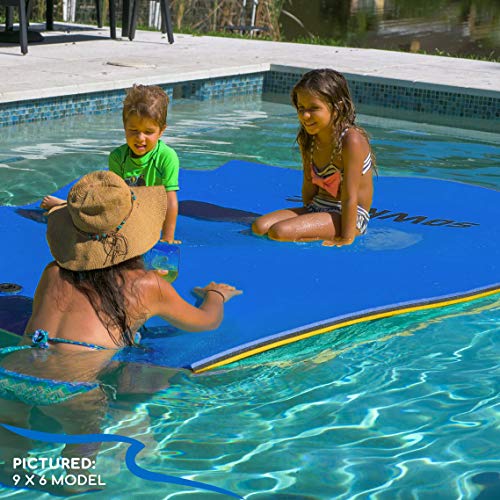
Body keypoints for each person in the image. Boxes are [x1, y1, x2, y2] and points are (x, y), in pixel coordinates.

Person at [0, 170, 241, 491]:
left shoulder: (53, 271)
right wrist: (216, 295)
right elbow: (206, 323)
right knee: (83, 437)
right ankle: (76, 481)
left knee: (12, 431)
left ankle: (13, 469)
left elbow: (35, 327)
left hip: (11, 371)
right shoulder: (146, 285)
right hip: (72, 390)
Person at [42, 84, 181, 243]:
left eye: (148, 132)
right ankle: (66, 207)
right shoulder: (117, 157)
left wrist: (168, 238)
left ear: (161, 130)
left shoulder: (166, 157)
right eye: (133, 130)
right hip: (125, 209)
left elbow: (170, 200)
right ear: (125, 127)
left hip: (150, 213)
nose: (140, 138)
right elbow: (115, 198)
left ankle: (66, 206)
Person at [252, 68, 375, 247]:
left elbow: (350, 196)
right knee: (260, 226)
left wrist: (346, 238)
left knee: (279, 232)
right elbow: (308, 184)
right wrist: (307, 217)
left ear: (337, 106)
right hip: (318, 207)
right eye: (301, 108)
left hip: (349, 216)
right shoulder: (308, 137)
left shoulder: (351, 140)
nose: (305, 115)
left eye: (314, 108)